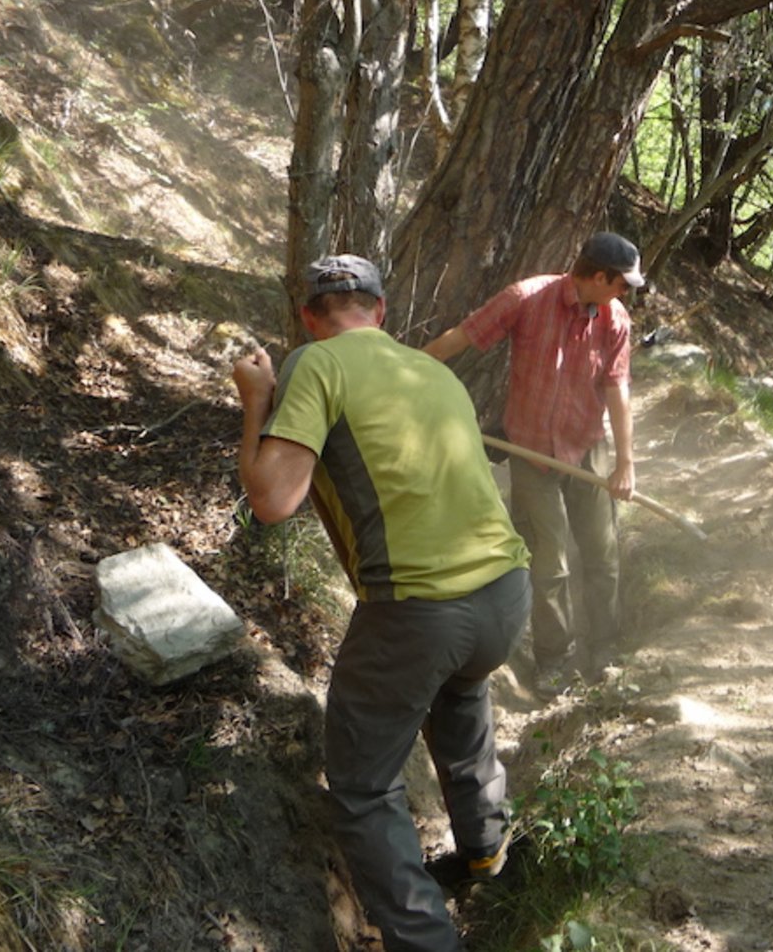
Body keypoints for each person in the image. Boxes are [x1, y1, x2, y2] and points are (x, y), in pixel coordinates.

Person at [233, 254, 532, 952]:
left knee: (363, 787)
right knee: (460, 699)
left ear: (309, 316)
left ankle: (428, 941)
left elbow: (273, 500)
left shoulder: (314, 363)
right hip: (503, 595)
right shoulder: (434, 371)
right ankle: (489, 857)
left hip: (420, 612)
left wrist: (255, 401)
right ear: (381, 310)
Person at [424, 232, 640, 698]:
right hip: (531, 453)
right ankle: (554, 661)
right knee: (550, 562)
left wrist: (625, 463)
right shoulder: (527, 297)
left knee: (602, 553)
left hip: (588, 447)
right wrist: (408, 370)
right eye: (623, 283)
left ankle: (604, 650)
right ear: (600, 277)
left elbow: (617, 390)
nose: (627, 293)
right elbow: (465, 335)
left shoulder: (615, 318)